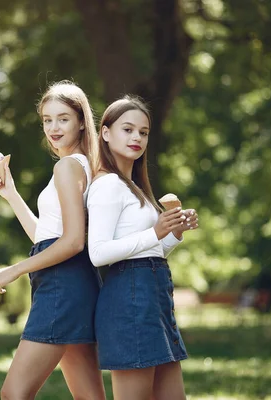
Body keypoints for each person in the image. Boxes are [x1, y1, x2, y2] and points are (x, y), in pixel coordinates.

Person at [0, 81, 105, 400]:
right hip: (75, 285)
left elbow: (72, 242)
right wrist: (11, 194)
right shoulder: (83, 165)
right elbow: (47, 237)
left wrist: (15, 269)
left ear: (82, 121)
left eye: (63, 118)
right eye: (47, 120)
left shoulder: (69, 166)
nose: (53, 127)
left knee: (13, 393)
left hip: (62, 287)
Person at [87, 95, 199, 400]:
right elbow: (97, 252)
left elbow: (151, 251)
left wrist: (173, 233)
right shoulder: (107, 185)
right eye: (128, 129)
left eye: (143, 132)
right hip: (128, 301)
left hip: (154, 298)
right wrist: (154, 232)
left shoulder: (134, 186)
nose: (137, 137)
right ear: (106, 133)